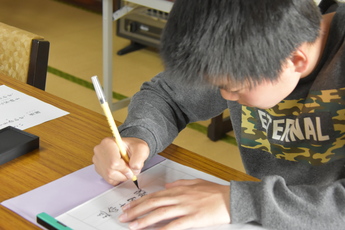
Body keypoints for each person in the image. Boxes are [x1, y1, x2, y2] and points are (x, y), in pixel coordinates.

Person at [93, 0, 345, 229]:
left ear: (295, 60)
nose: (224, 96)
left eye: (233, 88)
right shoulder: (237, 49)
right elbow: (166, 95)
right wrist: (138, 138)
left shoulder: (262, 50)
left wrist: (238, 201)